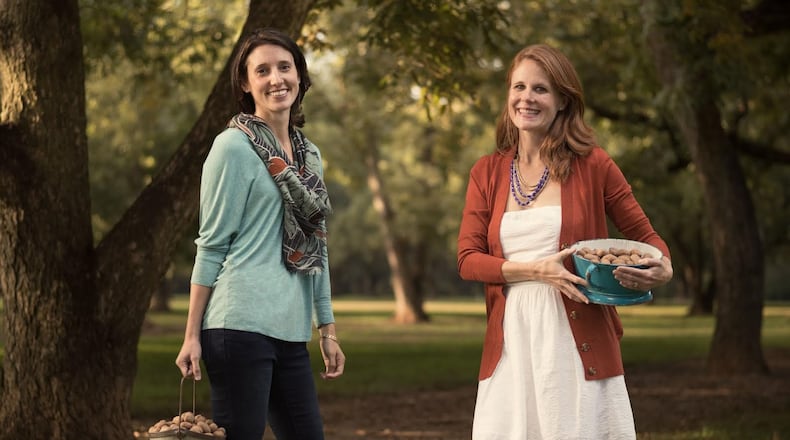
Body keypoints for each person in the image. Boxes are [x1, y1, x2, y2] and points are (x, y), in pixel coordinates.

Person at [457, 44, 673, 439]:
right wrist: (535, 270)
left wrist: (663, 265)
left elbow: (645, 236)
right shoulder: (486, 172)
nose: (527, 98)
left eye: (541, 89)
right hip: (513, 338)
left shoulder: (594, 165)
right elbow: (468, 259)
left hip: (576, 339)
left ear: (562, 102)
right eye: (518, 86)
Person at [175, 28, 345, 440]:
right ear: (245, 84)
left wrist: (327, 329)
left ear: (300, 77)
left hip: (290, 331)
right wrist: (191, 335)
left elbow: (316, 245)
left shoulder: (309, 156)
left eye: (284, 67)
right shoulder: (232, 147)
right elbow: (212, 245)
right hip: (238, 327)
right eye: (263, 70)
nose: (276, 79)